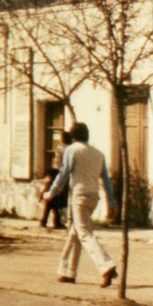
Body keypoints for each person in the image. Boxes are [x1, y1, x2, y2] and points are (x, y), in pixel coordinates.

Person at [44, 122, 117, 288]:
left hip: (79, 196)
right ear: (87, 135)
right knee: (74, 233)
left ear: (72, 136)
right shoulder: (98, 153)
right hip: (93, 197)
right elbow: (106, 179)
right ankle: (67, 271)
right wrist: (111, 202)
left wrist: (51, 193)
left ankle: (106, 266)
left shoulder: (72, 150)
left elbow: (64, 173)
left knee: (84, 234)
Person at [37, 129, 71, 230]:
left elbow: (57, 163)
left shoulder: (61, 148)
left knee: (53, 199)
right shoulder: (69, 149)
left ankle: (49, 220)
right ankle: (52, 221)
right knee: (55, 199)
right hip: (62, 175)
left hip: (57, 174)